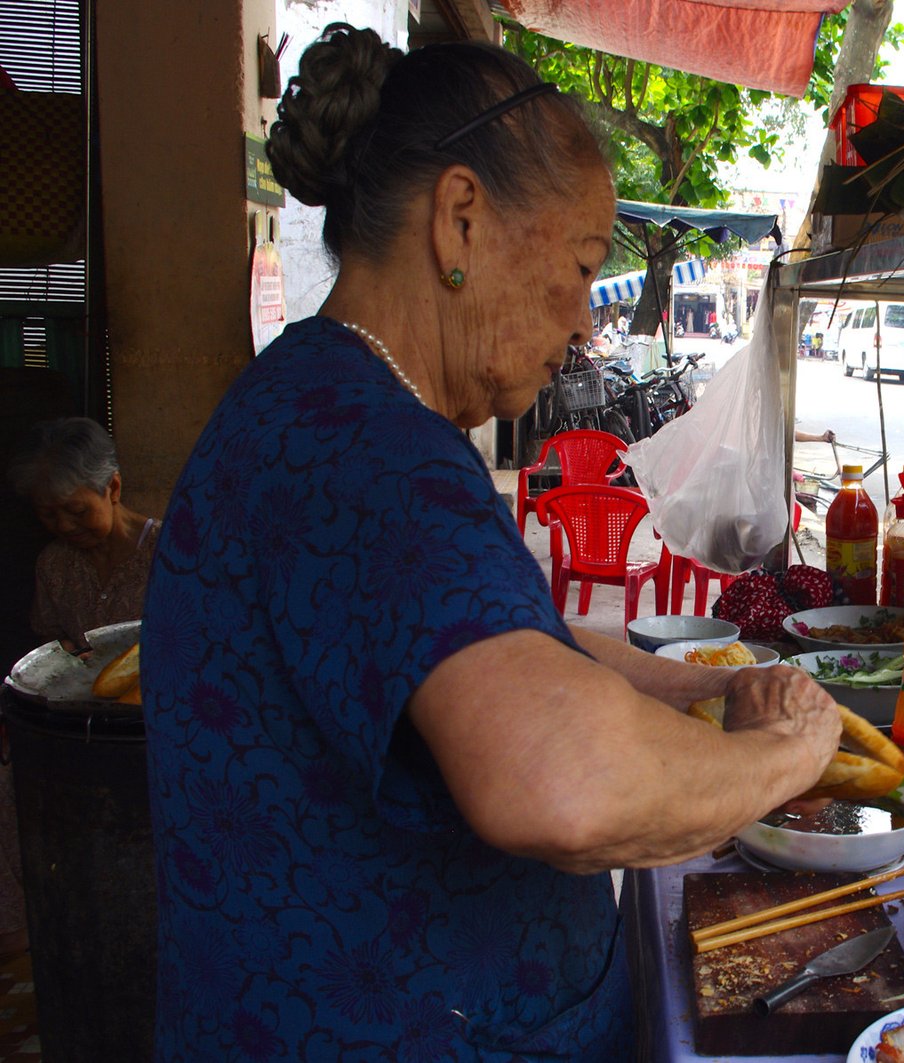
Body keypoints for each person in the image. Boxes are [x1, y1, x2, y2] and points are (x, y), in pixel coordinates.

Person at [140, 25, 839, 1060]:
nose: (583, 324)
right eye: (581, 263)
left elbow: (498, 648)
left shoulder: (323, 398)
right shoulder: (368, 450)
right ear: (461, 219)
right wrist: (790, 755)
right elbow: (563, 782)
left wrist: (702, 692)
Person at [8, 417, 160, 654]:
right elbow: (50, 638)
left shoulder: (171, 552)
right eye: (48, 514)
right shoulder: (53, 563)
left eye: (77, 511)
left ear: (113, 488)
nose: (65, 526)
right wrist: (65, 653)